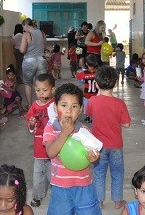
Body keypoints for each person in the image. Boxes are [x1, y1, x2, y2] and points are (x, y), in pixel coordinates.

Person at [42, 83, 102, 215]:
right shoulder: (51, 128)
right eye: (64, 105)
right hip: (60, 187)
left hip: (84, 185)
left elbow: (93, 155)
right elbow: (50, 153)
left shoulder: (84, 131)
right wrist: (65, 133)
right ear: (55, 107)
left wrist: (94, 157)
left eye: (74, 106)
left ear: (80, 109)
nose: (69, 110)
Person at [86, 66, 131, 210]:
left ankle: (99, 201)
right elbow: (127, 124)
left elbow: (88, 114)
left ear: (97, 84)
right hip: (116, 146)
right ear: (116, 83)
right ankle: (118, 201)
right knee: (117, 172)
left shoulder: (93, 101)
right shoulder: (120, 103)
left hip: (98, 146)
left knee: (99, 173)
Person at [25, 74, 56, 208]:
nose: (41, 93)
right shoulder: (34, 106)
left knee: (52, 175)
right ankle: (37, 196)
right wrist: (31, 123)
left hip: (53, 149)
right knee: (37, 175)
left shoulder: (55, 105)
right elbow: (30, 124)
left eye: (45, 90)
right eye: (38, 90)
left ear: (52, 90)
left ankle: (57, 196)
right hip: (39, 148)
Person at [20, 18, 48, 107]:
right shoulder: (42, 33)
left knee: (28, 84)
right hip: (41, 60)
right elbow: (45, 46)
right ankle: (42, 105)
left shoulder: (26, 34)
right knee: (41, 84)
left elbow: (22, 50)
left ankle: (30, 106)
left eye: (23, 27)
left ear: (27, 25)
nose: (23, 29)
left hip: (29, 61)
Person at [75, 54, 99, 123]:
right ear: (95, 63)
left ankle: (87, 117)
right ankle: (95, 116)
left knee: (86, 104)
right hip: (96, 93)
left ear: (86, 63)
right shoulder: (97, 72)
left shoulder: (84, 73)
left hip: (87, 93)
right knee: (95, 105)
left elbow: (78, 76)